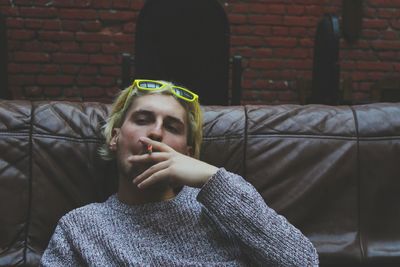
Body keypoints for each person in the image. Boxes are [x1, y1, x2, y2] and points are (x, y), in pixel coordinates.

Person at [40, 79, 319, 266]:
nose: (156, 132)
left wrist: (213, 179)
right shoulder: (79, 228)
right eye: (142, 119)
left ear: (187, 154)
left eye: (172, 127)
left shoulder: (223, 208)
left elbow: (304, 261)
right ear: (115, 138)